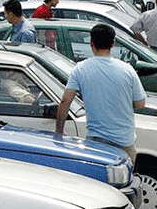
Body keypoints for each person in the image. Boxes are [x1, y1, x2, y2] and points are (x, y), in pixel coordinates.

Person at [56, 24, 146, 163]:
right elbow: (140, 104)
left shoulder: (80, 69)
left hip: (96, 142)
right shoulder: (127, 70)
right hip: (124, 141)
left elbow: (65, 102)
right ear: (113, 43)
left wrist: (59, 130)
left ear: (91, 43)